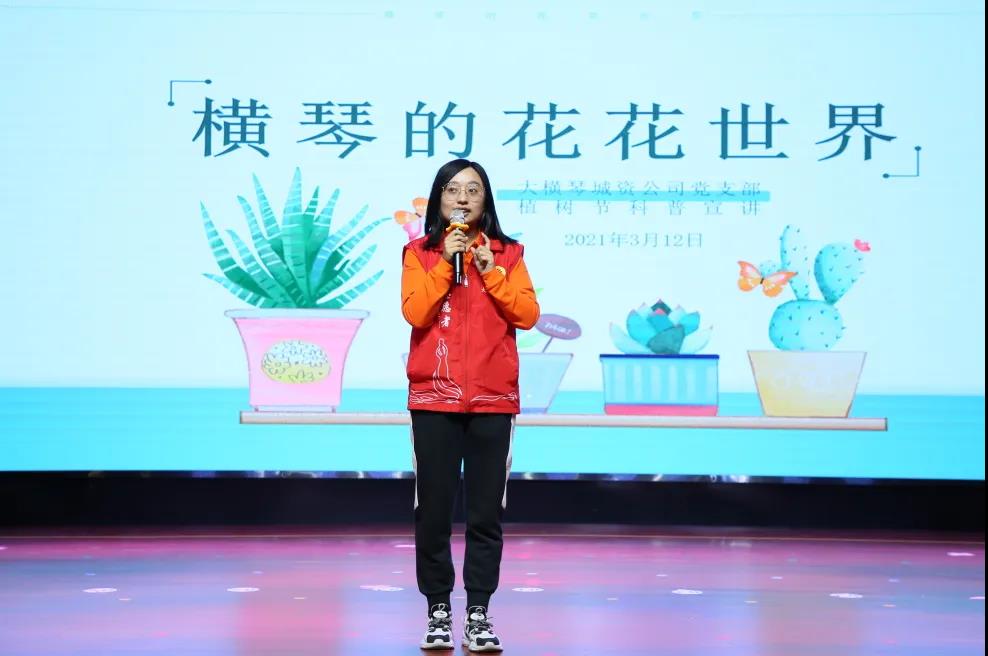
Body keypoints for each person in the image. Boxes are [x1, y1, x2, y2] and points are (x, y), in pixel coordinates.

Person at [401, 159, 540, 651]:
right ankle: (438, 610)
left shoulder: (508, 253)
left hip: (492, 399)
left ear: (486, 200)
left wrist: (491, 271)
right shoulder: (419, 253)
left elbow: (528, 314)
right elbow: (415, 311)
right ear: (439, 198)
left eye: (473, 190)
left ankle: (478, 613)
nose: (462, 198)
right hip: (433, 398)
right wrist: (446, 262)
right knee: (433, 512)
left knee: (485, 515)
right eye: (452, 189)